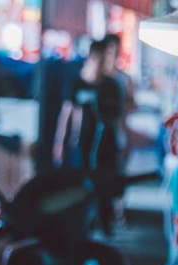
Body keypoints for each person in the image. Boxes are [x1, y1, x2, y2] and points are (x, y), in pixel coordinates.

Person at [53, 38, 125, 232]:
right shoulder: (76, 83)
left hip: (106, 143)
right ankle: (82, 222)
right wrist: (59, 143)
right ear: (91, 59)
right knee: (81, 182)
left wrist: (122, 142)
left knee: (104, 180)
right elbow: (66, 113)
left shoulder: (111, 86)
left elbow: (119, 117)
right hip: (82, 142)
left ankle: (104, 220)